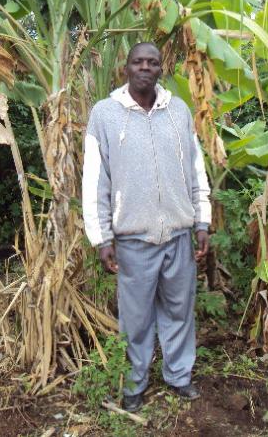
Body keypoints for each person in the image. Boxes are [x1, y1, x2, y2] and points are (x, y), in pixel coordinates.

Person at [82, 42, 211, 412]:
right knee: (135, 319)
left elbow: (196, 170)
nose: (145, 67)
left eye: (152, 62)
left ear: (160, 69)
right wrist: (101, 238)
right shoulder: (105, 114)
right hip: (133, 239)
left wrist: (202, 221)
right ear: (126, 68)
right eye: (138, 61)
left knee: (179, 311)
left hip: (178, 234)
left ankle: (179, 376)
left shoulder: (178, 111)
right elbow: (95, 180)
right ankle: (134, 384)